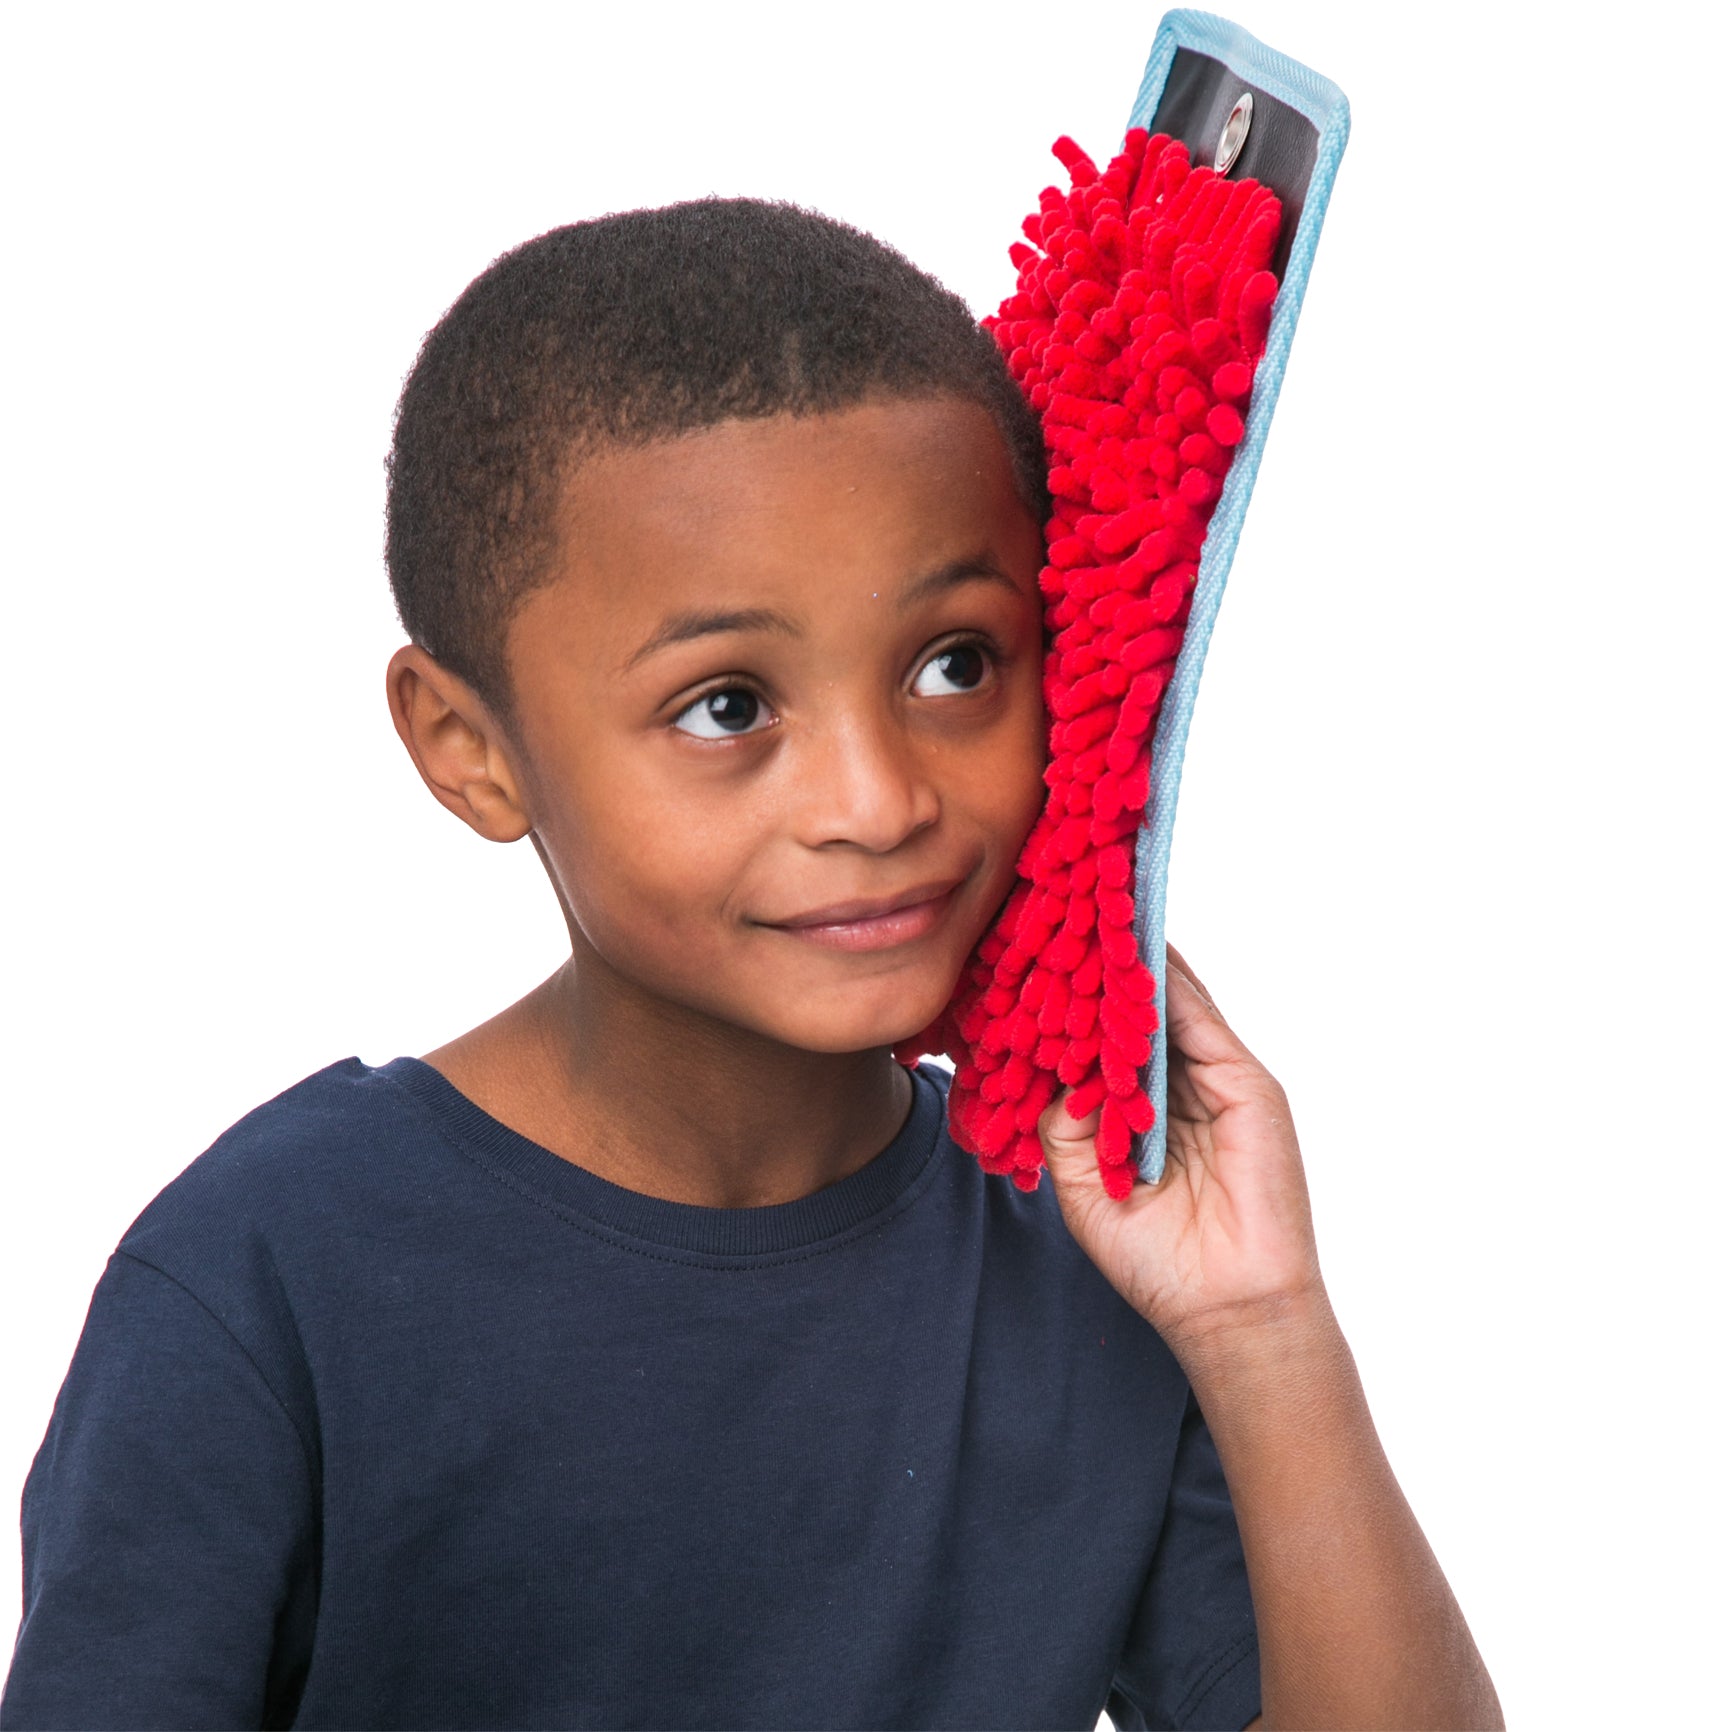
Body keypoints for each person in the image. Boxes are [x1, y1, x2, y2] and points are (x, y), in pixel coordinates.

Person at [0, 199, 1500, 1731]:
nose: (879, 800)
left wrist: (1261, 1326)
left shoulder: (1090, 1255)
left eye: (954, 665)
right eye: (727, 707)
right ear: (470, 750)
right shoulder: (267, 1280)